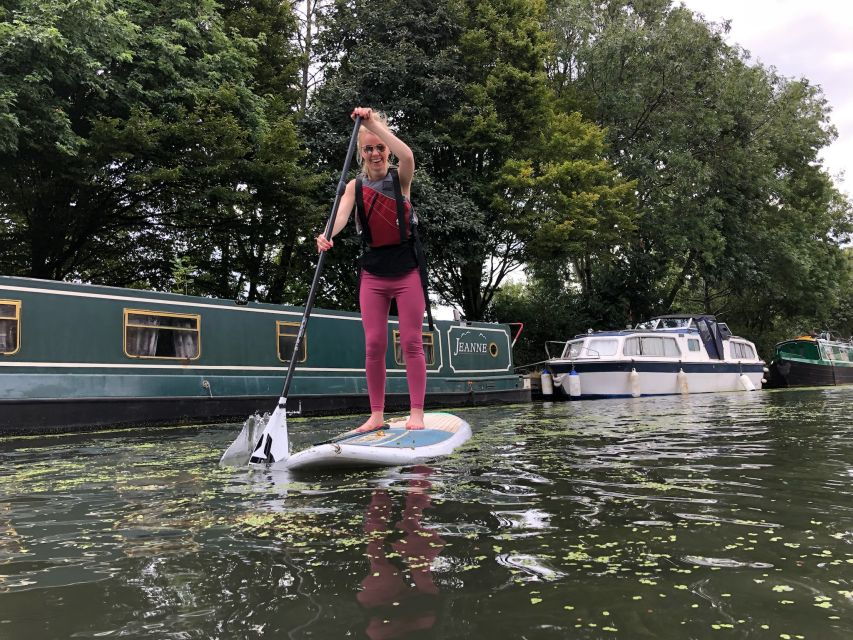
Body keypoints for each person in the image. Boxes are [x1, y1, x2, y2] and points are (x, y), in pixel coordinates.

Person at [316, 107, 429, 431]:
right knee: (374, 343)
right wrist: (326, 236)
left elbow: (406, 154)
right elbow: (338, 218)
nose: (376, 153)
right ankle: (376, 415)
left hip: (407, 271)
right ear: (361, 154)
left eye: (380, 147)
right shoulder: (354, 186)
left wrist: (374, 126)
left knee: (410, 342)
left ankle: (416, 413)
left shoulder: (401, 177)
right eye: (369, 148)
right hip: (373, 274)